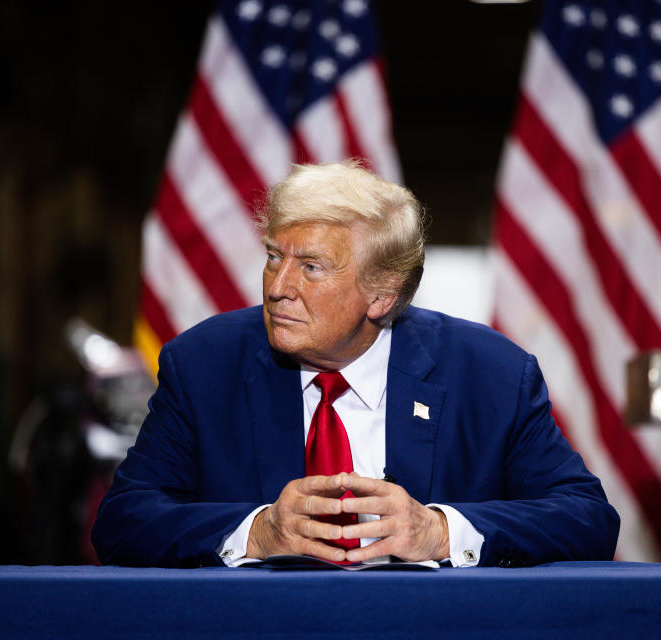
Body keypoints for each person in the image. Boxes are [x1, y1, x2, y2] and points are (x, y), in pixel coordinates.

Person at [92, 161, 619, 568]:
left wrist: (439, 532)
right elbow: (122, 521)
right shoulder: (204, 365)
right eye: (275, 256)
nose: (278, 288)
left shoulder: (490, 375)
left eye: (312, 267)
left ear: (382, 296)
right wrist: (258, 533)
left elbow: (587, 518)